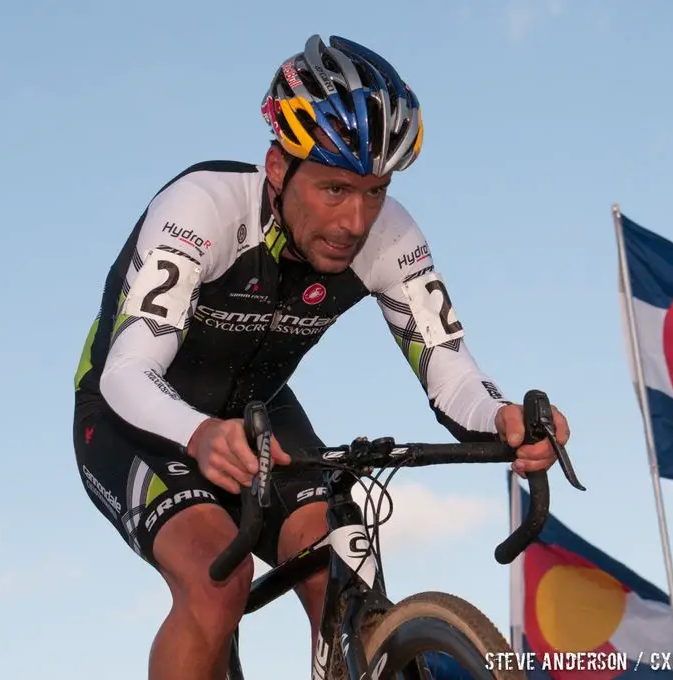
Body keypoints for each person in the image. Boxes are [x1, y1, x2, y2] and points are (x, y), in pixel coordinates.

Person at [71, 33, 570, 680]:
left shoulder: (390, 238)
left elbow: (449, 368)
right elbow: (128, 372)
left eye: (375, 192)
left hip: (258, 412)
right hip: (135, 416)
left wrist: (501, 417)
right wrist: (199, 435)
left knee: (344, 559)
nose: (356, 221)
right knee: (218, 582)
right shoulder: (202, 211)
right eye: (334, 190)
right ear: (279, 169)